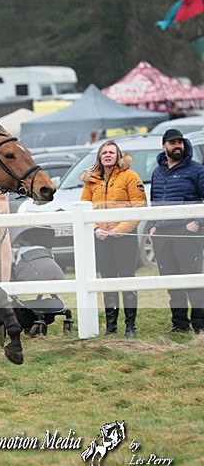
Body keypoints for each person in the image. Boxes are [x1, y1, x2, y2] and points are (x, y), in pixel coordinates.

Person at [80, 140, 146, 338]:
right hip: (101, 238)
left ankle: (130, 326)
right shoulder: (92, 180)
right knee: (106, 281)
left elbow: (139, 207)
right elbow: (84, 206)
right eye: (104, 153)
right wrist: (95, 229)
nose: (107, 155)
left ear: (118, 155)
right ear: (99, 157)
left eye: (111, 152)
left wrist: (120, 229)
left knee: (127, 280)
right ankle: (111, 326)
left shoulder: (130, 177)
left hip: (124, 238)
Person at [148, 128, 204, 334]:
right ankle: (179, 324)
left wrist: (197, 221)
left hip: (187, 232)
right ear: (164, 146)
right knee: (171, 280)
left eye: (180, 142)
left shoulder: (196, 170)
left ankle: (200, 325)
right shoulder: (157, 172)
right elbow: (154, 202)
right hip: (162, 233)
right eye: (172, 143)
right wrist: (152, 224)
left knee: (193, 279)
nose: (177, 146)